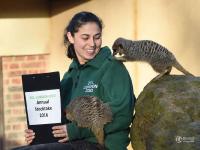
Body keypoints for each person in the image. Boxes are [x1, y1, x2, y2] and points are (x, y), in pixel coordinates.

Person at [14, 11, 135, 150]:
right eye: (85, 37)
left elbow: (122, 113)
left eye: (97, 37)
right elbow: (59, 117)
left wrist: (74, 131)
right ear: (71, 37)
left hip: (102, 145)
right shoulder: (71, 74)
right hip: (74, 143)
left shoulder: (112, 67)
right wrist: (39, 133)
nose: (92, 44)